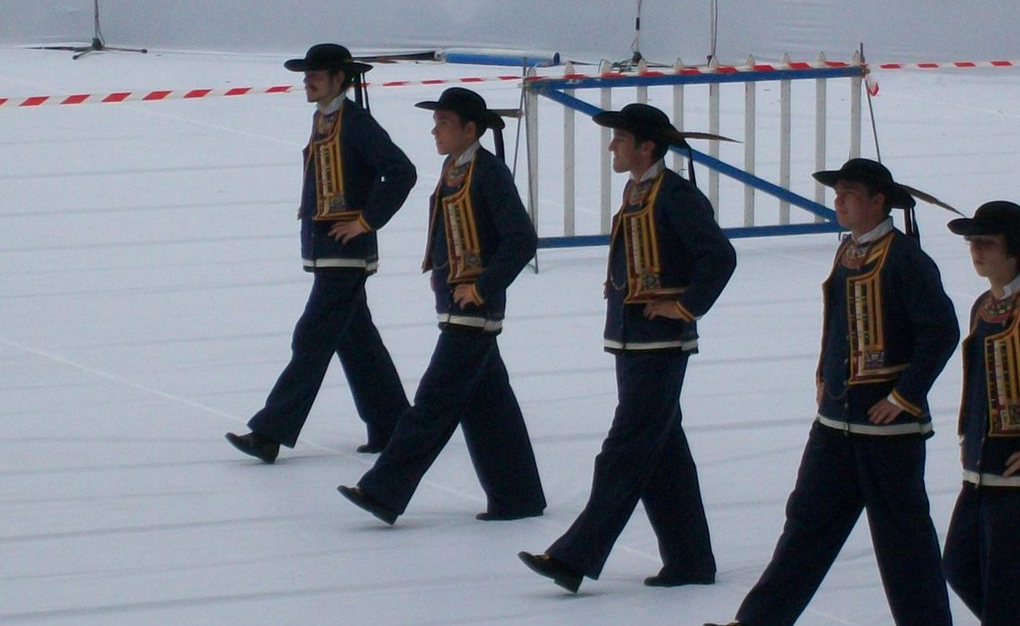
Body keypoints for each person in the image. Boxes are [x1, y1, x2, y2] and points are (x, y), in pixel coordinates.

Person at [705, 157, 959, 626]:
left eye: (850, 194)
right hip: (835, 424)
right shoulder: (849, 251)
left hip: (887, 433)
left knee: (904, 544)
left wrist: (904, 397)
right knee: (805, 526)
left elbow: (941, 332)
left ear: (878, 202)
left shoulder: (905, 259)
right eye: (837, 192)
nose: (838, 201)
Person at [519, 103, 736, 593]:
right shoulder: (641, 189)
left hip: (659, 345)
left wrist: (686, 307)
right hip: (633, 341)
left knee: (623, 452)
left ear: (646, 146)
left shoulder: (676, 196)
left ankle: (574, 557)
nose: (612, 146)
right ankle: (690, 561)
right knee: (662, 455)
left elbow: (719, 256)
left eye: (620, 139)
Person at [337, 87, 545, 524]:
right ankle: (517, 494)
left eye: (445, 122)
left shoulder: (488, 173)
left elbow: (521, 238)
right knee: (489, 404)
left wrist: (484, 288)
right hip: (455, 304)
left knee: (432, 404)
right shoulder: (455, 169)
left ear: (471, 129)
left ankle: (384, 491)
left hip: (473, 310)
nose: (435, 130)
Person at [226, 43, 415, 463]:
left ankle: (270, 431)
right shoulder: (326, 119)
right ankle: (393, 423)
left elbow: (401, 171)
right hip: (327, 249)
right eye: (307, 73)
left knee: (311, 338)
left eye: (317, 73)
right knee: (357, 341)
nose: (307, 80)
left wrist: (366, 221)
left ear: (339, 80)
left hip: (345, 254)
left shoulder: (358, 123)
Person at [942, 200, 1020, 626]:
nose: (976, 251)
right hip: (980, 470)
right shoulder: (982, 306)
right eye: (973, 242)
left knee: (1005, 586)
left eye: (987, 243)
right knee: (959, 565)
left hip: (1013, 475)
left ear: (1014, 251)